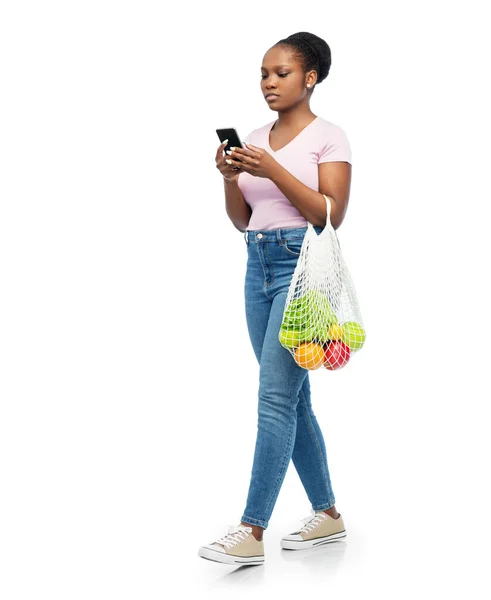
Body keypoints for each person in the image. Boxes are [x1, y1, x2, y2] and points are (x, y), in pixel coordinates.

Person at [198, 32, 351, 567]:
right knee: (293, 398)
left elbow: (328, 215)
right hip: (257, 265)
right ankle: (328, 516)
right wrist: (231, 177)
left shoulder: (329, 138)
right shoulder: (257, 139)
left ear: (309, 78)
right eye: (263, 73)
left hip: (300, 270)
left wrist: (274, 170)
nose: (268, 83)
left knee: (275, 398)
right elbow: (243, 221)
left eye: (280, 73)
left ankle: (251, 530)